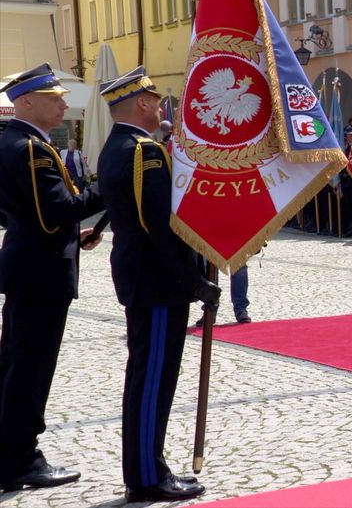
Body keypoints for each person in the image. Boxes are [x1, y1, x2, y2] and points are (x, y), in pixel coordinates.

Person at [97, 66, 221, 500]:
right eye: (156, 98)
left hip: (146, 279)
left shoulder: (119, 147)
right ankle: (147, 477)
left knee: (150, 376)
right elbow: (160, 227)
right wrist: (194, 282)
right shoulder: (142, 153)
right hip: (157, 282)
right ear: (143, 104)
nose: (162, 104)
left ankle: (150, 466)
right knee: (152, 379)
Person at [0, 63, 104, 492]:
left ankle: (10, 452)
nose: (64, 103)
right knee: (30, 369)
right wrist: (110, 187)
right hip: (41, 272)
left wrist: (64, 234)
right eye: (54, 97)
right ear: (26, 101)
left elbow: (30, 213)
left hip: (28, 263)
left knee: (15, 364)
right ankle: (22, 459)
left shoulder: (13, 141)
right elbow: (55, 210)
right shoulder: (30, 148)